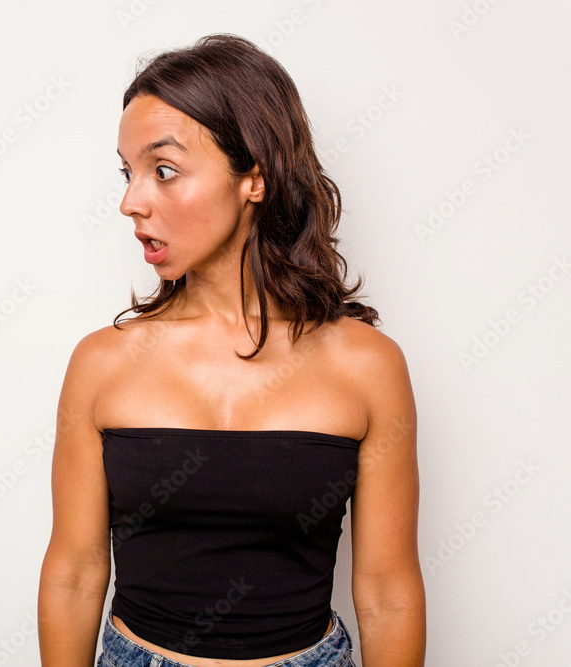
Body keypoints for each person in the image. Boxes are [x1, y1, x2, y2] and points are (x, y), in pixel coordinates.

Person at [38, 33, 425, 667]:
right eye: (128, 173)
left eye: (164, 170)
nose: (131, 201)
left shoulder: (368, 366)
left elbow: (388, 593)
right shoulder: (101, 363)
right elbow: (74, 574)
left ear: (255, 178)